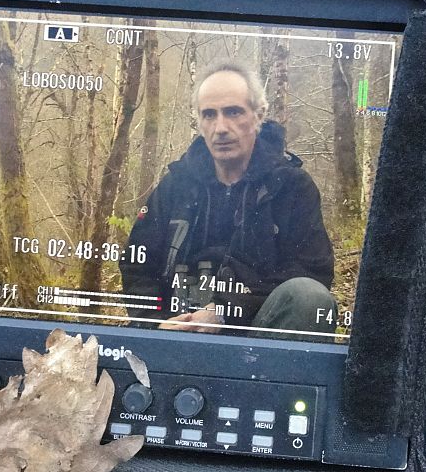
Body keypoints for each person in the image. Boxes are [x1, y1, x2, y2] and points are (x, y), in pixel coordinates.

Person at [120, 60, 337, 337]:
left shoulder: (291, 186)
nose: (220, 127)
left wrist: (223, 312)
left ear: (258, 116)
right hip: (177, 335)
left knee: (309, 297)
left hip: (257, 341)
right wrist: (157, 323)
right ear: (198, 122)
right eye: (209, 115)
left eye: (233, 112)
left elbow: (312, 270)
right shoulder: (176, 184)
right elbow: (137, 263)